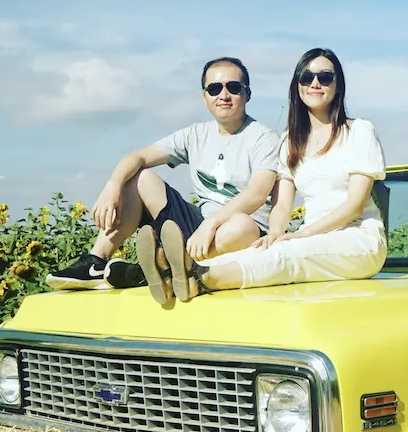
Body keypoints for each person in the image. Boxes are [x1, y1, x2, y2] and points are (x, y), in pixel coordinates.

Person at [138, 47, 388, 302]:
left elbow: (354, 206)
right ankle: (175, 272)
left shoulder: (359, 131)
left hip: (358, 241)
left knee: (286, 257)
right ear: (297, 85)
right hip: (309, 240)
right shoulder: (291, 141)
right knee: (260, 252)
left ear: (337, 85)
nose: (315, 83)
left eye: (324, 77)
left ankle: (199, 279)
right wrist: (275, 233)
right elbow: (281, 204)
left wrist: (300, 235)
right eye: (306, 77)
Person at [46, 57, 280, 295]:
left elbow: (257, 194)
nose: (224, 95)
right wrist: (113, 186)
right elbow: (138, 157)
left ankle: (160, 270)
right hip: (197, 229)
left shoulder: (263, 138)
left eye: (234, 87)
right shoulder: (196, 134)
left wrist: (212, 224)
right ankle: (96, 261)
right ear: (204, 97)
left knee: (241, 225)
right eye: (214, 88)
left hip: (240, 234)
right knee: (141, 177)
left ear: (247, 94)